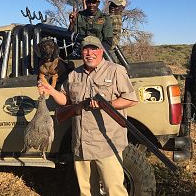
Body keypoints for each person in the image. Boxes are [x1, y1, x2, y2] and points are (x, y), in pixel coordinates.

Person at [38, 36, 138, 196]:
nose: (89, 53)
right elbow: (66, 100)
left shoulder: (115, 70)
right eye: (86, 49)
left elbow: (131, 99)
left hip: (106, 144)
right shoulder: (74, 75)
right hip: (81, 145)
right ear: (81, 52)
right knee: (87, 192)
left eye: (94, 49)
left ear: (101, 51)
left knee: (114, 190)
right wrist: (51, 91)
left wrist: (105, 104)